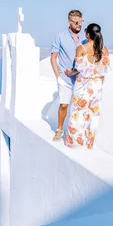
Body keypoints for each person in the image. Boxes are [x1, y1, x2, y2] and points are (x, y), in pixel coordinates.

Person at [65, 23, 110, 150]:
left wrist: (70, 72)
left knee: (77, 112)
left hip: (83, 85)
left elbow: (78, 69)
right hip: (97, 86)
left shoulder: (81, 49)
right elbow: (103, 70)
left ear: (88, 34)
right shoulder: (104, 49)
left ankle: (74, 142)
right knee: (93, 113)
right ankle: (89, 142)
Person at [50, 10, 85, 141]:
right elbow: (53, 57)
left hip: (81, 78)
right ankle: (59, 129)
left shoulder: (84, 38)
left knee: (78, 106)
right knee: (64, 105)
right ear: (69, 22)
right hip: (65, 78)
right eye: (76, 22)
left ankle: (77, 131)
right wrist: (57, 75)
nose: (79, 25)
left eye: (81, 22)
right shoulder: (61, 36)